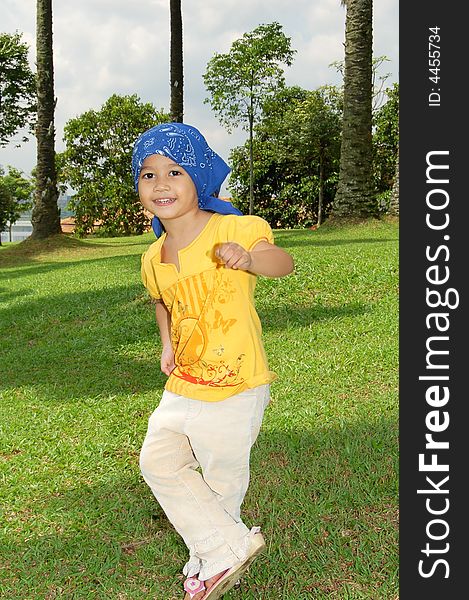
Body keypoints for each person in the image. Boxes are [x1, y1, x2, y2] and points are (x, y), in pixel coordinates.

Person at [132, 122, 294, 599]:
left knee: (222, 481)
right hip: (184, 381)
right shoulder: (152, 256)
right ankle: (225, 547)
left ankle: (209, 559)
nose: (160, 183)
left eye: (174, 171)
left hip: (236, 380)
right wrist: (166, 344)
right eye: (148, 174)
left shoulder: (233, 229)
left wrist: (248, 258)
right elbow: (163, 301)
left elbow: (282, 262)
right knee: (158, 461)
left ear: (199, 177)